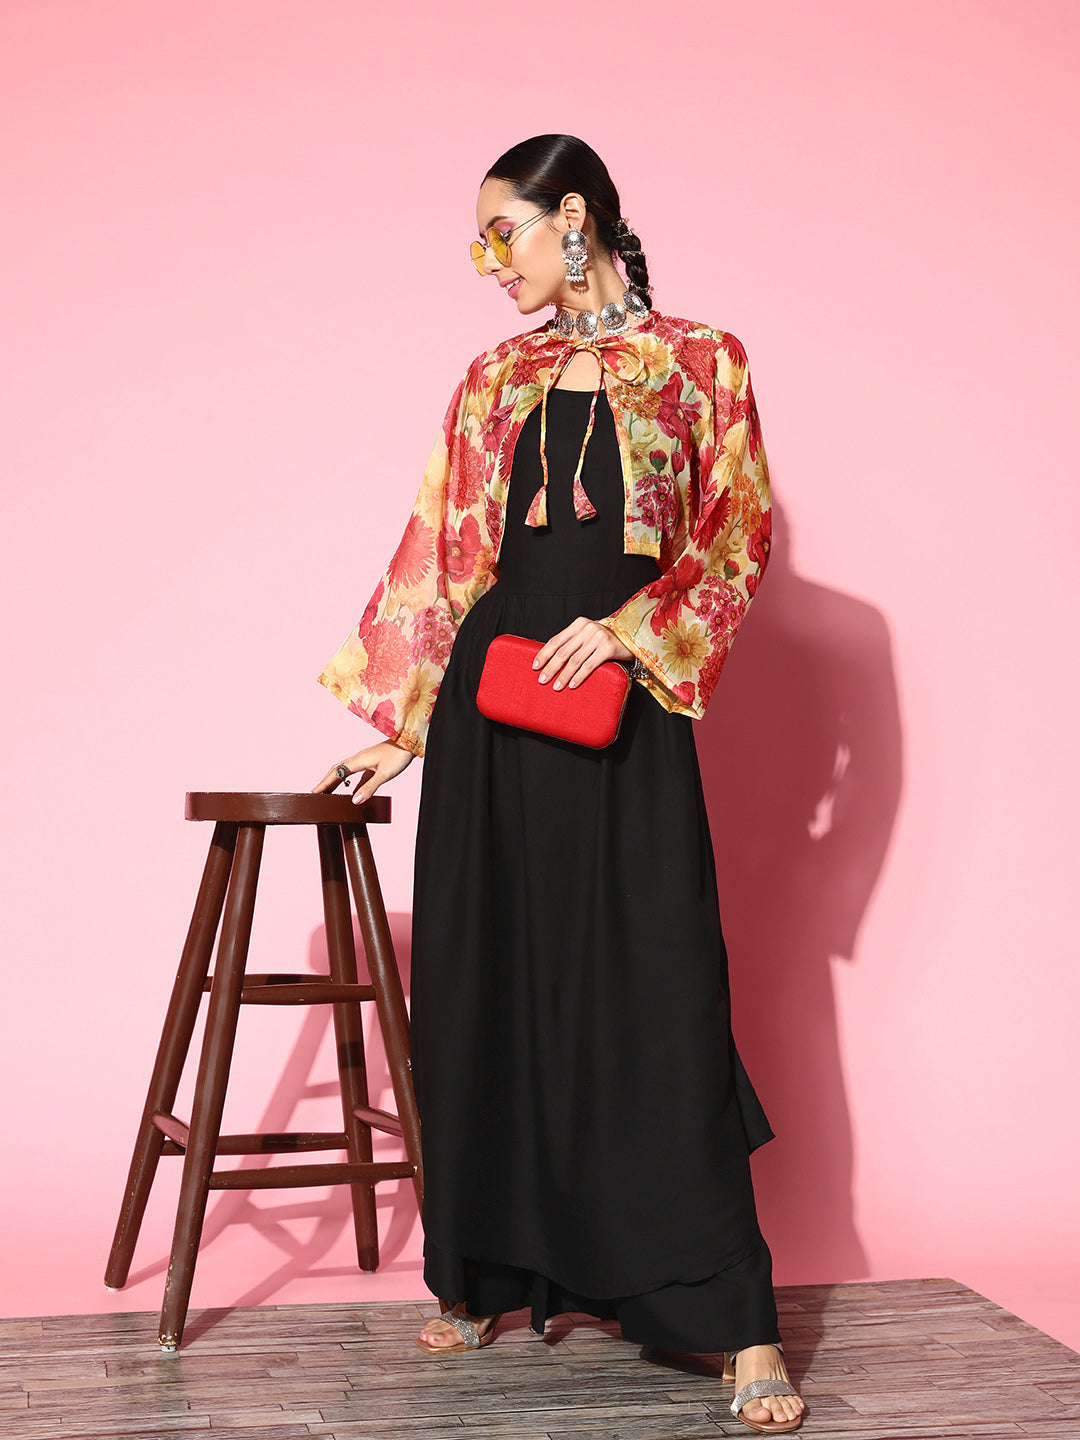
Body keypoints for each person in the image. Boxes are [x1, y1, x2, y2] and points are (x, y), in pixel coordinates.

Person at [313, 134, 806, 1435]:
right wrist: (405, 723)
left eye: (503, 233)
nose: (489, 262)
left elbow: (738, 534)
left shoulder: (702, 362)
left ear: (571, 219)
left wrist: (636, 633)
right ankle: (485, 1272)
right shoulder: (493, 378)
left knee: (659, 992)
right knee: (488, 981)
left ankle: (736, 1318)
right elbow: (445, 551)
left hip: (624, 709)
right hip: (494, 713)